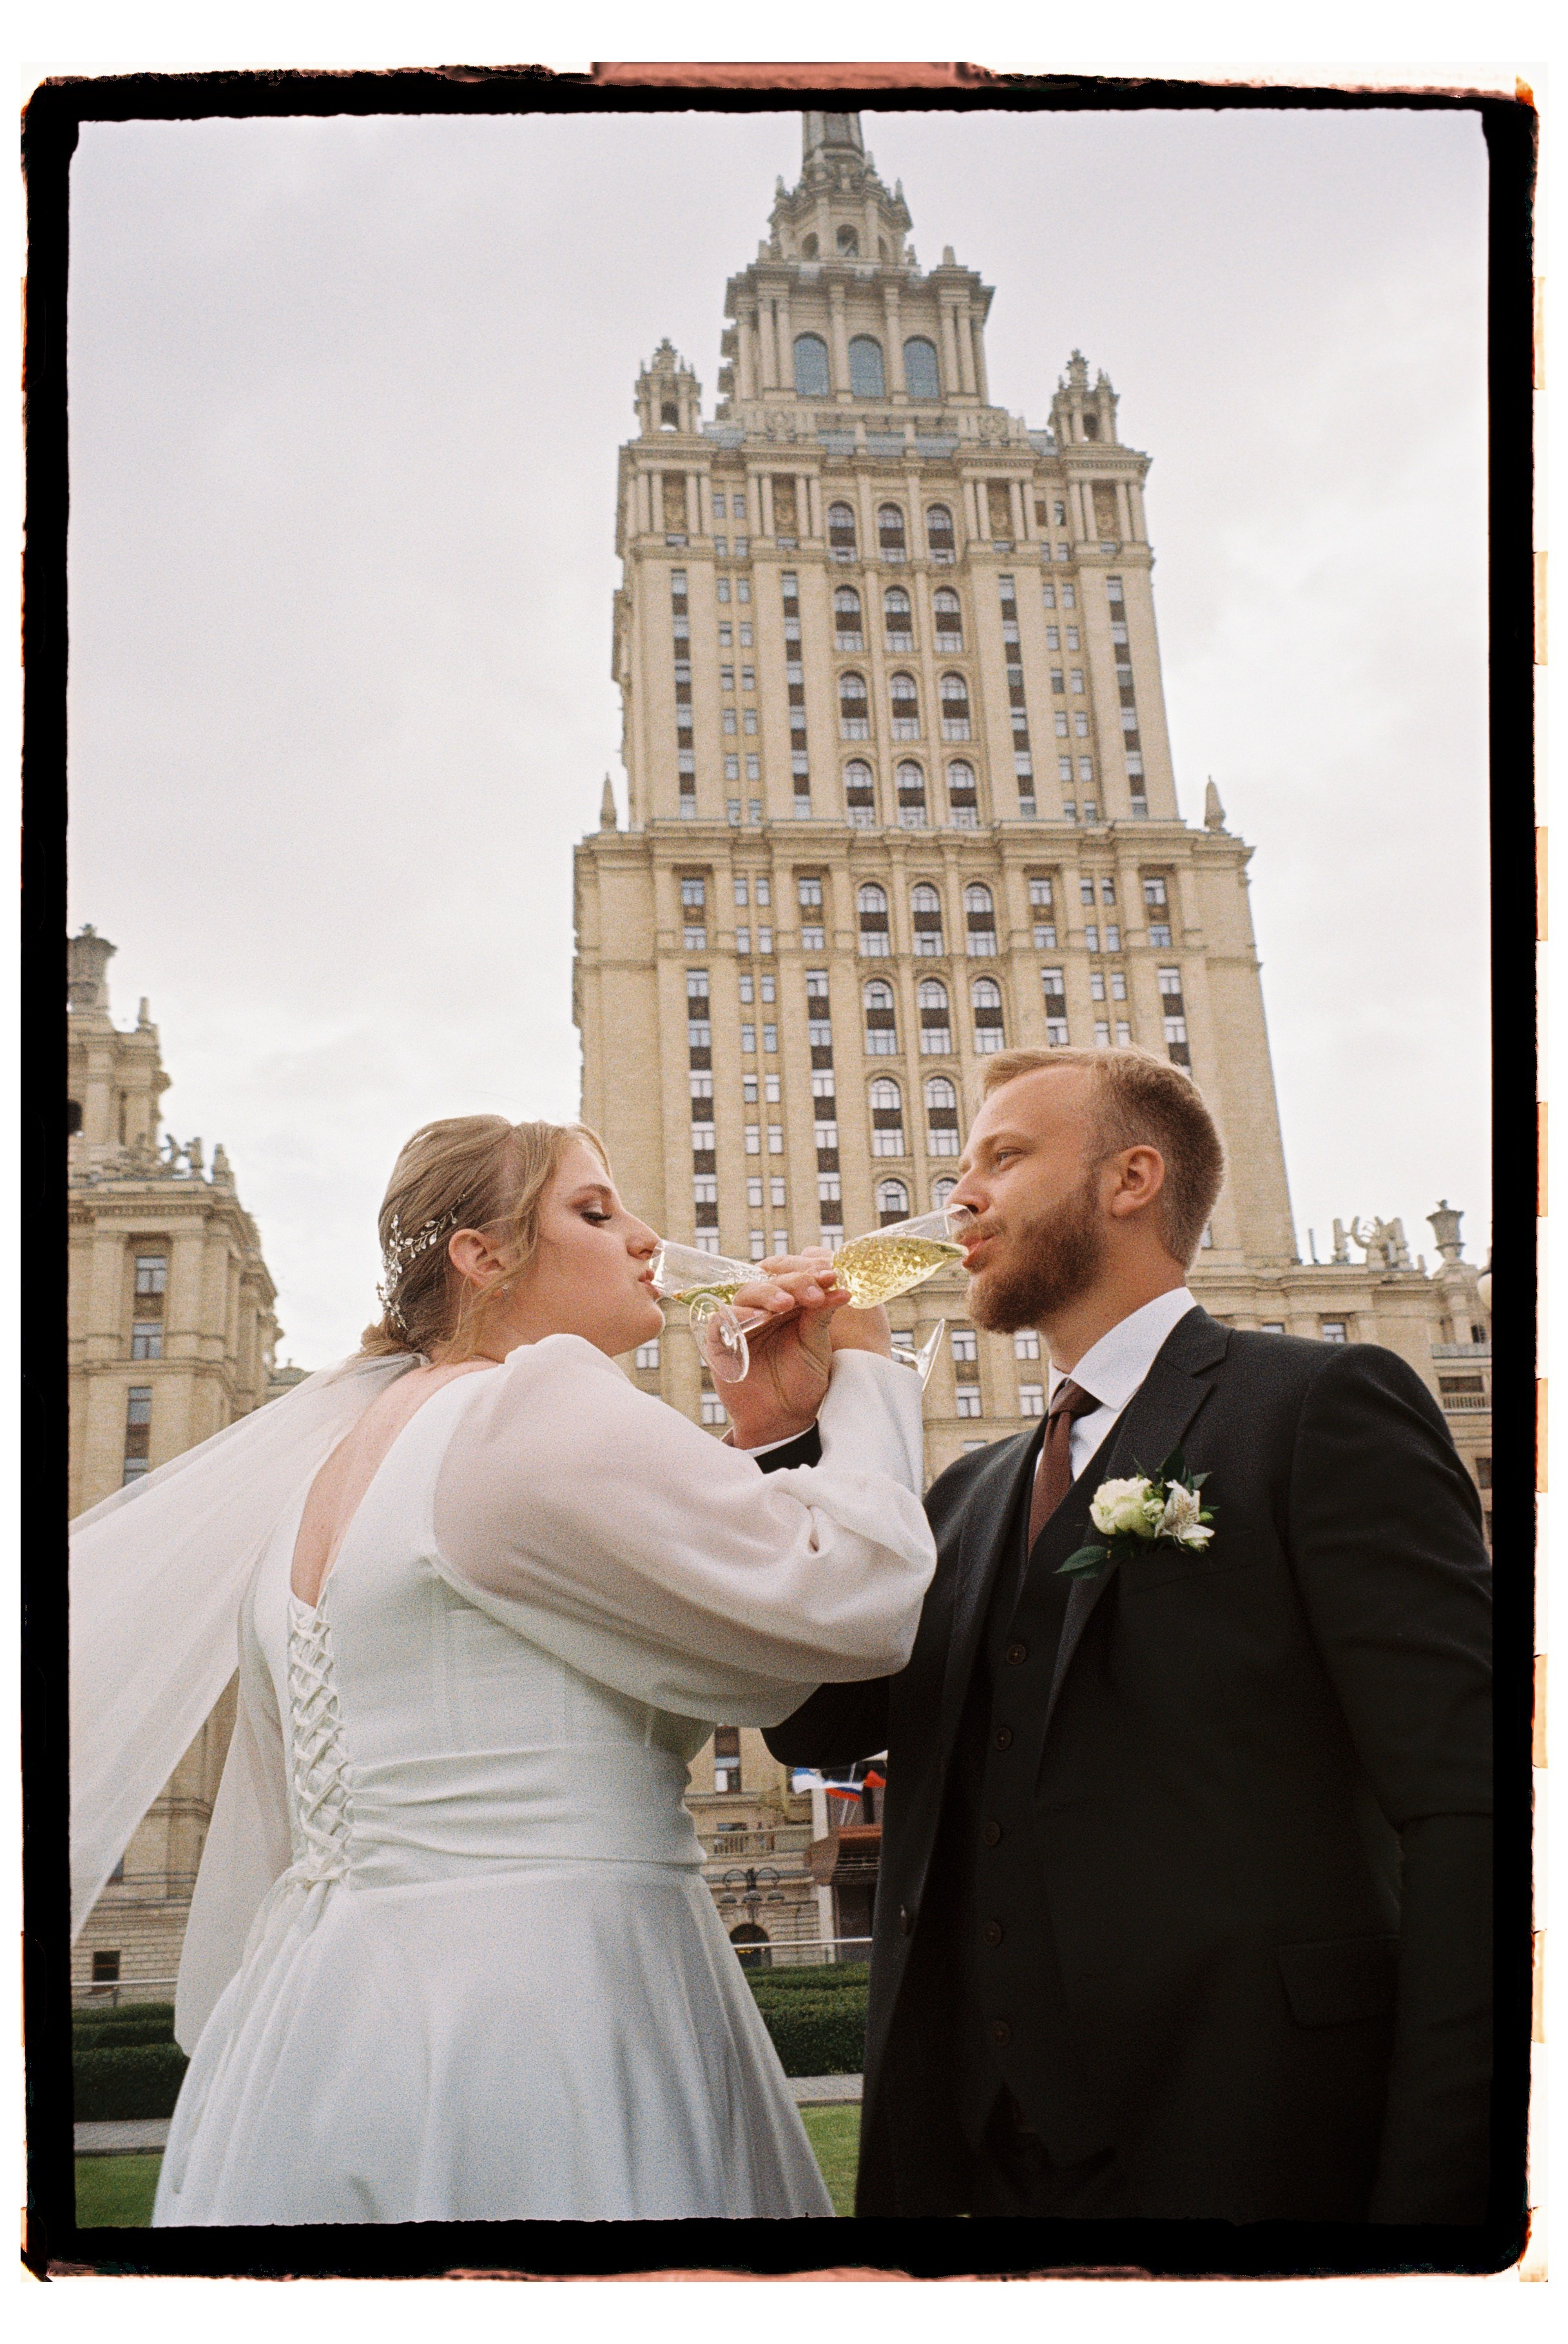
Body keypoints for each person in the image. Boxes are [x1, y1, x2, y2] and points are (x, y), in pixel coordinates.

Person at [70, 1114, 936, 2223]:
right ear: (480, 1257)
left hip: (314, 2021)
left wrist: (764, 1429)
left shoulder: (328, 1467)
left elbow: (687, 1639)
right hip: (552, 1999)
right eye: (593, 1210)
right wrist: (862, 1363)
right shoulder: (535, 1397)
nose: (645, 1237)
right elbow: (854, 1593)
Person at [766, 1047, 1493, 2223]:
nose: (957, 1197)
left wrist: (1438, 2182)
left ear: (1131, 1178)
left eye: (1002, 1157)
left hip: (1255, 2144)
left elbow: (1467, 1806)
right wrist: (784, 1443)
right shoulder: (964, 1494)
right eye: (961, 1165)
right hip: (968, 2167)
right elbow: (816, 1723)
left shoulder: (1319, 1405)